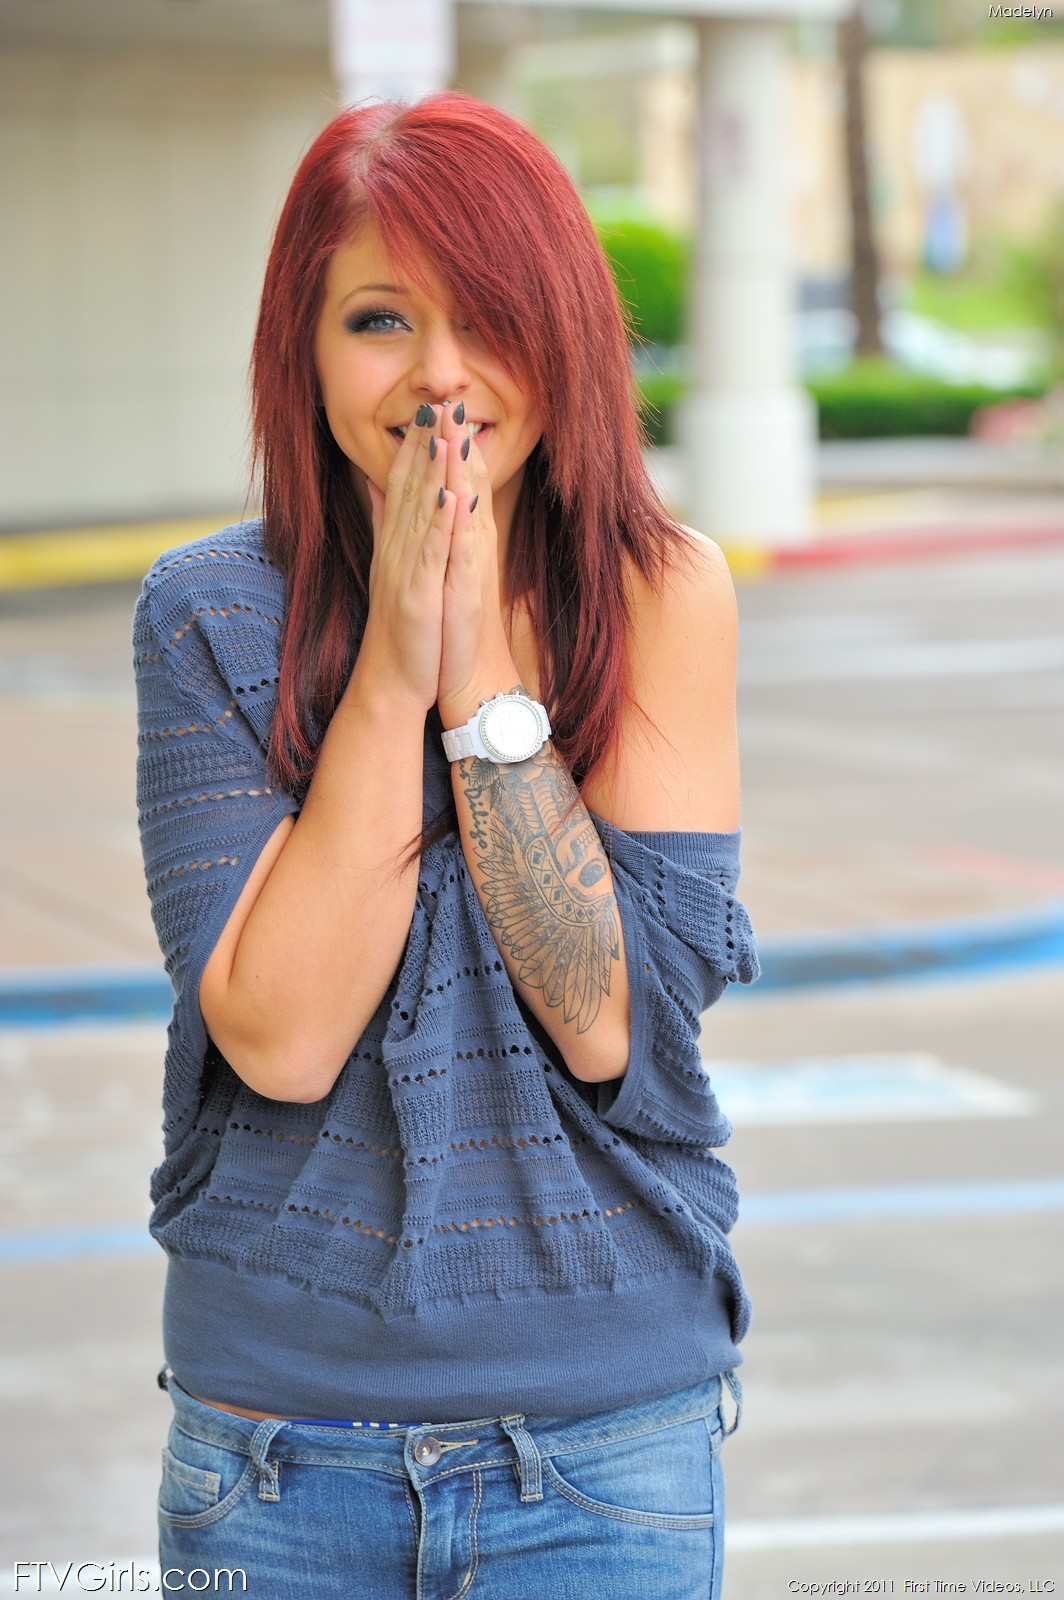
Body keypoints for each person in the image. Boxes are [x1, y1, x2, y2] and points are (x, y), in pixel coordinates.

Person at [134, 91, 759, 1597]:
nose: (440, 376)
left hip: (602, 1459)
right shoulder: (208, 615)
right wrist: (392, 666)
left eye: (488, 317)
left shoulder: (658, 596)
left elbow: (607, 1019)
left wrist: (477, 664)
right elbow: (283, 1040)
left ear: (567, 336)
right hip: (275, 1462)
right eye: (379, 321)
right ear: (301, 351)